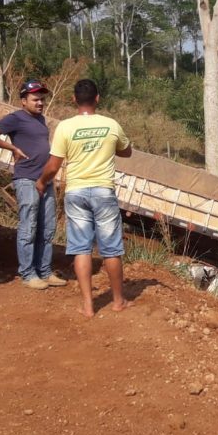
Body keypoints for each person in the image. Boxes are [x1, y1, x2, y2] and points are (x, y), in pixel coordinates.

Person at [36, 79, 132, 318]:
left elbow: (53, 165)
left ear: (74, 99)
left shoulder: (65, 127)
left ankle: (88, 306)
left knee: (81, 248)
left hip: (76, 192)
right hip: (103, 191)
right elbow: (127, 151)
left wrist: (41, 182)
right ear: (97, 98)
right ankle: (118, 301)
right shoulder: (111, 125)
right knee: (111, 250)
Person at [0, 79, 67, 290]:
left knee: (47, 228)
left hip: (45, 180)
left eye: (42, 99)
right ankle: (28, 274)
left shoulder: (41, 119)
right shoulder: (15, 118)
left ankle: (44, 271)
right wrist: (12, 148)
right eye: (35, 99)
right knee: (29, 227)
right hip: (27, 180)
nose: (40, 103)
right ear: (23, 101)